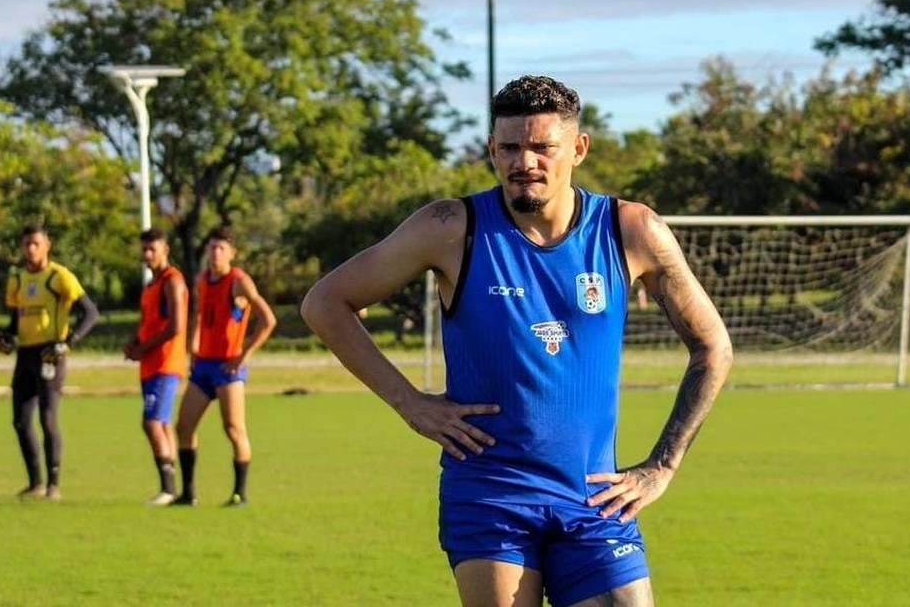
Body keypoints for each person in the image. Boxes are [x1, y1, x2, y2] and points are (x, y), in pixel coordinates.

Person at [301, 75, 733, 607]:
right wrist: (411, 404)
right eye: (508, 147)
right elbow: (325, 303)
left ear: (577, 149)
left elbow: (713, 346)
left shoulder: (630, 230)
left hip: (595, 497)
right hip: (491, 494)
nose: (523, 161)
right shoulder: (450, 228)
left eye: (541, 147)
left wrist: (662, 465)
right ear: (491, 150)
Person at [172, 226, 277, 507]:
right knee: (183, 427)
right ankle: (188, 493)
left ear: (231, 253)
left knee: (233, 428)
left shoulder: (238, 281)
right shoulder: (202, 279)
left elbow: (268, 320)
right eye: (212, 247)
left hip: (228, 368)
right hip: (203, 366)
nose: (215, 253)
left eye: (221, 248)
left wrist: (244, 356)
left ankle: (239, 494)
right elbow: (200, 316)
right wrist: (193, 345)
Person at [0, 224, 99, 500]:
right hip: (26, 353)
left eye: (36, 244)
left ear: (47, 245)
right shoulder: (17, 280)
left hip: (49, 354)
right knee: (20, 421)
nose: (31, 249)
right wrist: (5, 336)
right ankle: (35, 483)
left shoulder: (59, 276)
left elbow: (90, 312)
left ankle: (53, 484)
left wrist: (69, 340)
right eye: (27, 244)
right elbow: (17, 321)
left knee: (48, 417)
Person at [123, 228, 189, 506]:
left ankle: (168, 488)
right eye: (145, 249)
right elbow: (152, 323)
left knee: (150, 422)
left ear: (166, 250)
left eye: (153, 249)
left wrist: (144, 348)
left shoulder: (172, 281)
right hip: (150, 364)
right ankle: (172, 487)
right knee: (161, 423)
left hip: (165, 362)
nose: (147, 254)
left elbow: (176, 326)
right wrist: (134, 342)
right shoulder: (151, 284)